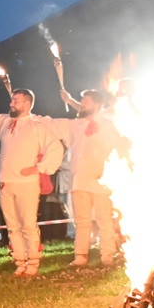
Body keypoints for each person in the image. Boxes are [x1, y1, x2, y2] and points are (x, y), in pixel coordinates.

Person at [0, 84, 64, 278]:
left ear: (27, 103)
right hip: (5, 183)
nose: (11, 103)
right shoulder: (6, 123)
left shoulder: (37, 125)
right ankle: (19, 261)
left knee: (28, 224)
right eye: (12, 100)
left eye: (16, 101)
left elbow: (55, 148)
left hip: (27, 183)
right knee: (13, 226)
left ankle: (32, 262)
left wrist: (39, 168)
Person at [56, 89, 129, 268]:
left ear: (96, 105)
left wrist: (115, 172)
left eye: (85, 102)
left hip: (100, 180)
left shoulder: (107, 125)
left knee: (104, 220)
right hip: (79, 180)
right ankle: (81, 256)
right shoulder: (77, 125)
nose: (82, 104)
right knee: (81, 221)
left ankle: (107, 256)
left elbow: (120, 149)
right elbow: (66, 119)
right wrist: (70, 100)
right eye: (81, 102)